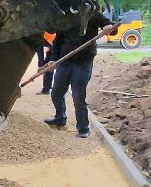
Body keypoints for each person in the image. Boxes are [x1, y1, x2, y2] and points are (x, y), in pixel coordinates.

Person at [45, 9, 116, 138]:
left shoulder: (91, 13)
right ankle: (60, 117)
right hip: (65, 60)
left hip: (83, 61)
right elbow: (58, 41)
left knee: (78, 95)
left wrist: (109, 28)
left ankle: (83, 128)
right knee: (56, 91)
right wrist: (53, 59)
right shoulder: (65, 16)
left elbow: (112, 28)